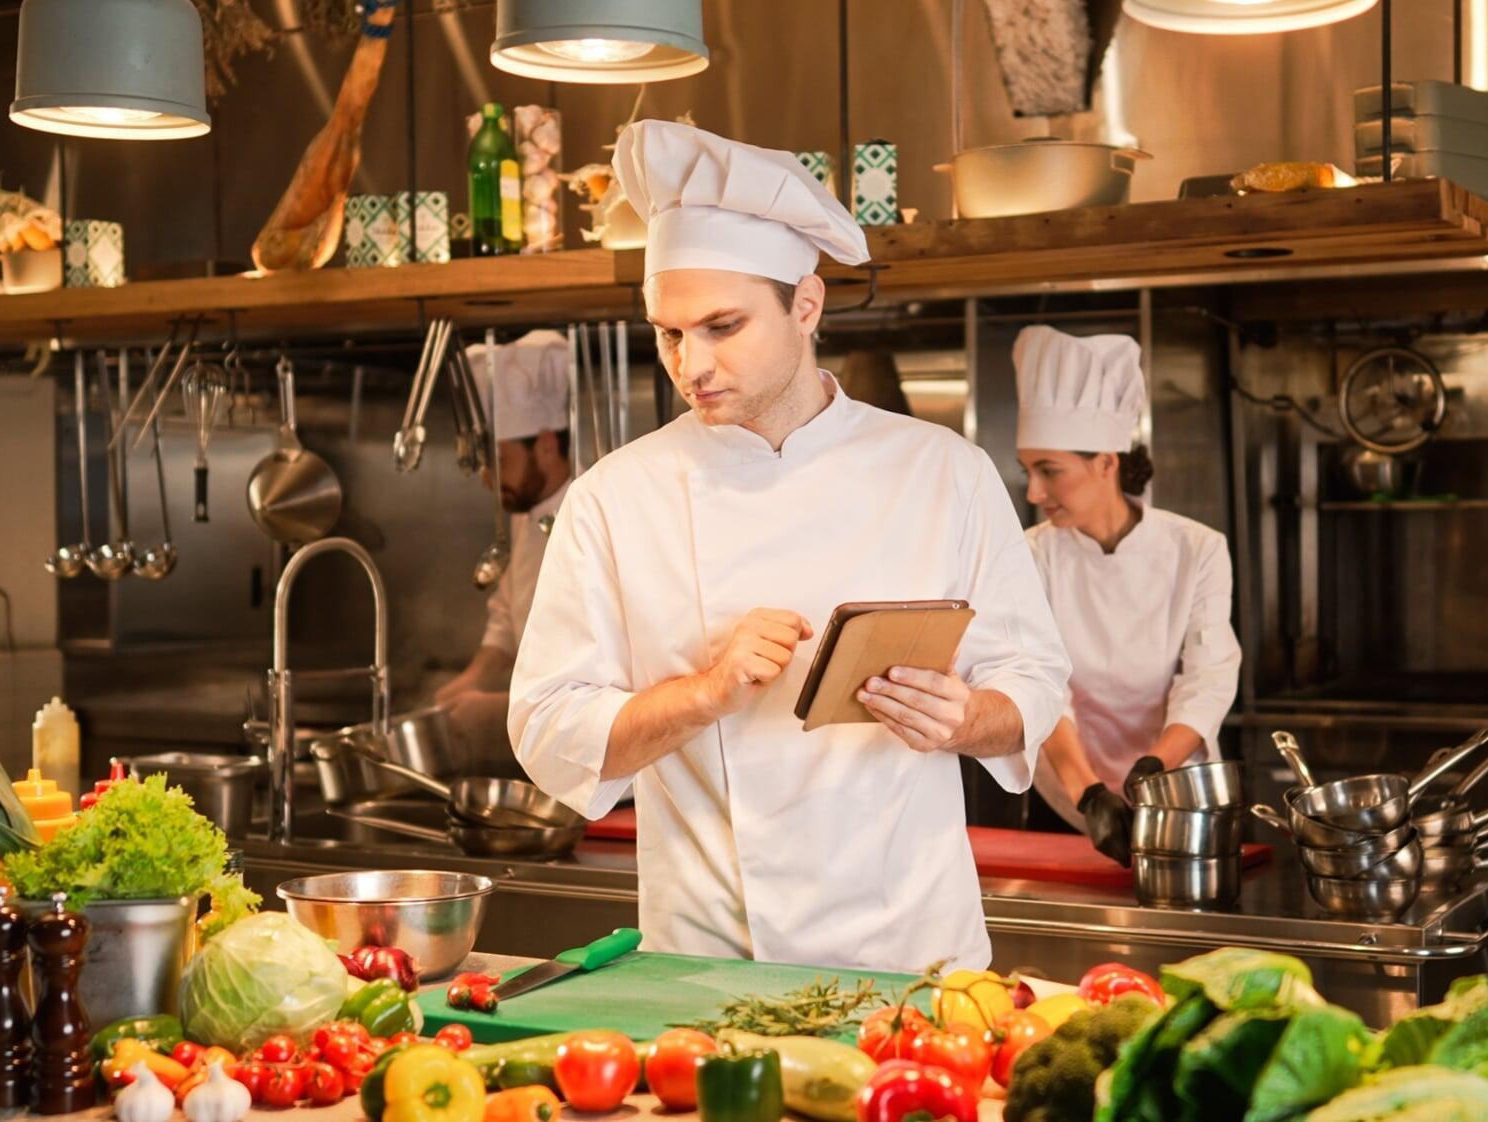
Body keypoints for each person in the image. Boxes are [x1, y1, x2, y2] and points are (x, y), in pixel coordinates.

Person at [508, 120, 1071, 974]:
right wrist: (704, 693)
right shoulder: (613, 500)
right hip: (708, 965)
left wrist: (964, 718)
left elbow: (1033, 681)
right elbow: (548, 732)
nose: (691, 365)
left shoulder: (942, 472)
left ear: (806, 306)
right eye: (669, 333)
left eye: (722, 326)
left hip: (910, 957)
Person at [1013, 325, 1241, 864]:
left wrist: (1153, 768)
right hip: (1067, 791)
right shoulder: (1028, 554)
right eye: (1028, 471)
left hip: (1175, 789)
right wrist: (1089, 792)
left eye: (1050, 471)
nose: (1034, 492)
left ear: (1106, 463)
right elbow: (1039, 684)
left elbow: (1207, 679)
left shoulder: (1198, 549)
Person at [435, 331, 573, 747]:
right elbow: (507, 618)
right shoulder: (523, 515)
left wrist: (497, 710)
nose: (487, 479)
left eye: (499, 460)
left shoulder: (594, 513)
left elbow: (606, 676)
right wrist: (472, 681)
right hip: (541, 743)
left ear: (545, 445)